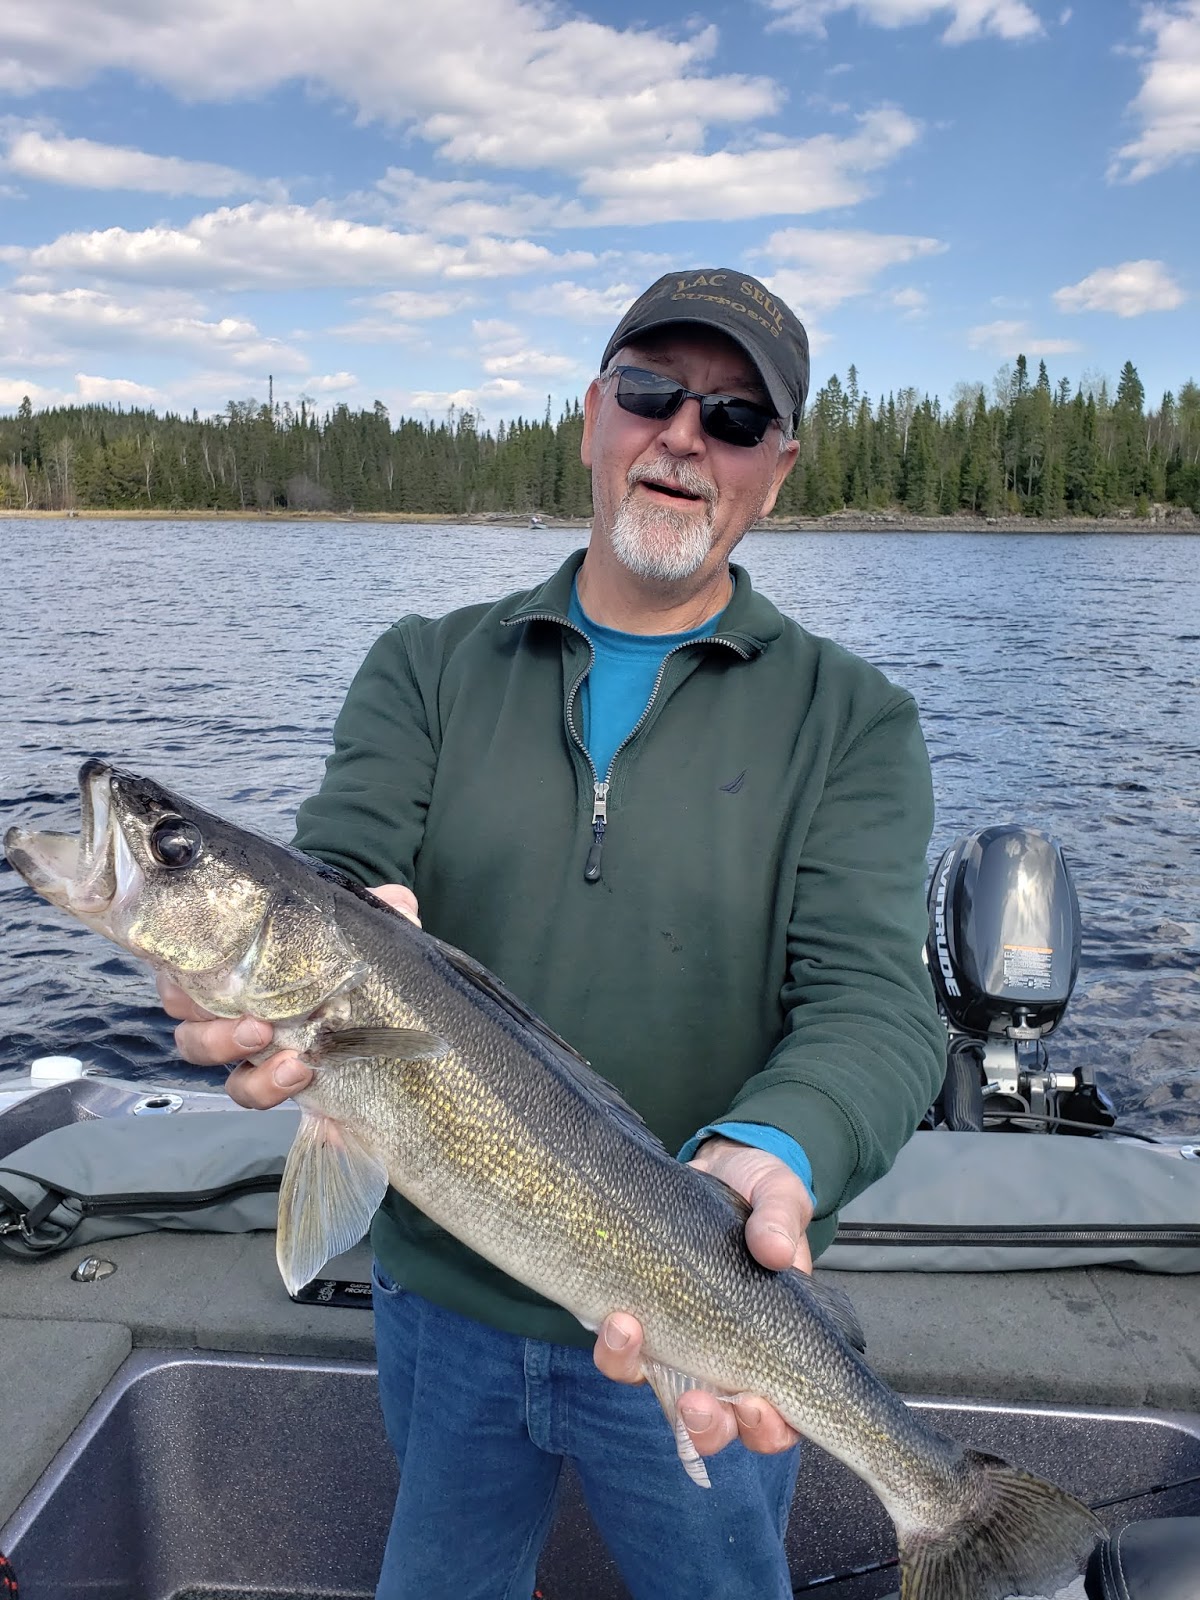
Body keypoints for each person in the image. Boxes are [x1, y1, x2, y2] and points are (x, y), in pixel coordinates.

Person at [160, 267, 946, 1600]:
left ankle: (946, 1513)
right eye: (651, 393)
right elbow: (345, 863)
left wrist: (773, 1150)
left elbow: (877, 1007)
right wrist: (314, 936)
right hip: (438, 1309)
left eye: (735, 418)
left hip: (702, 1303)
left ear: (778, 470)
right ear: (594, 415)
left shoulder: (854, 721)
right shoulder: (425, 661)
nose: (683, 436)